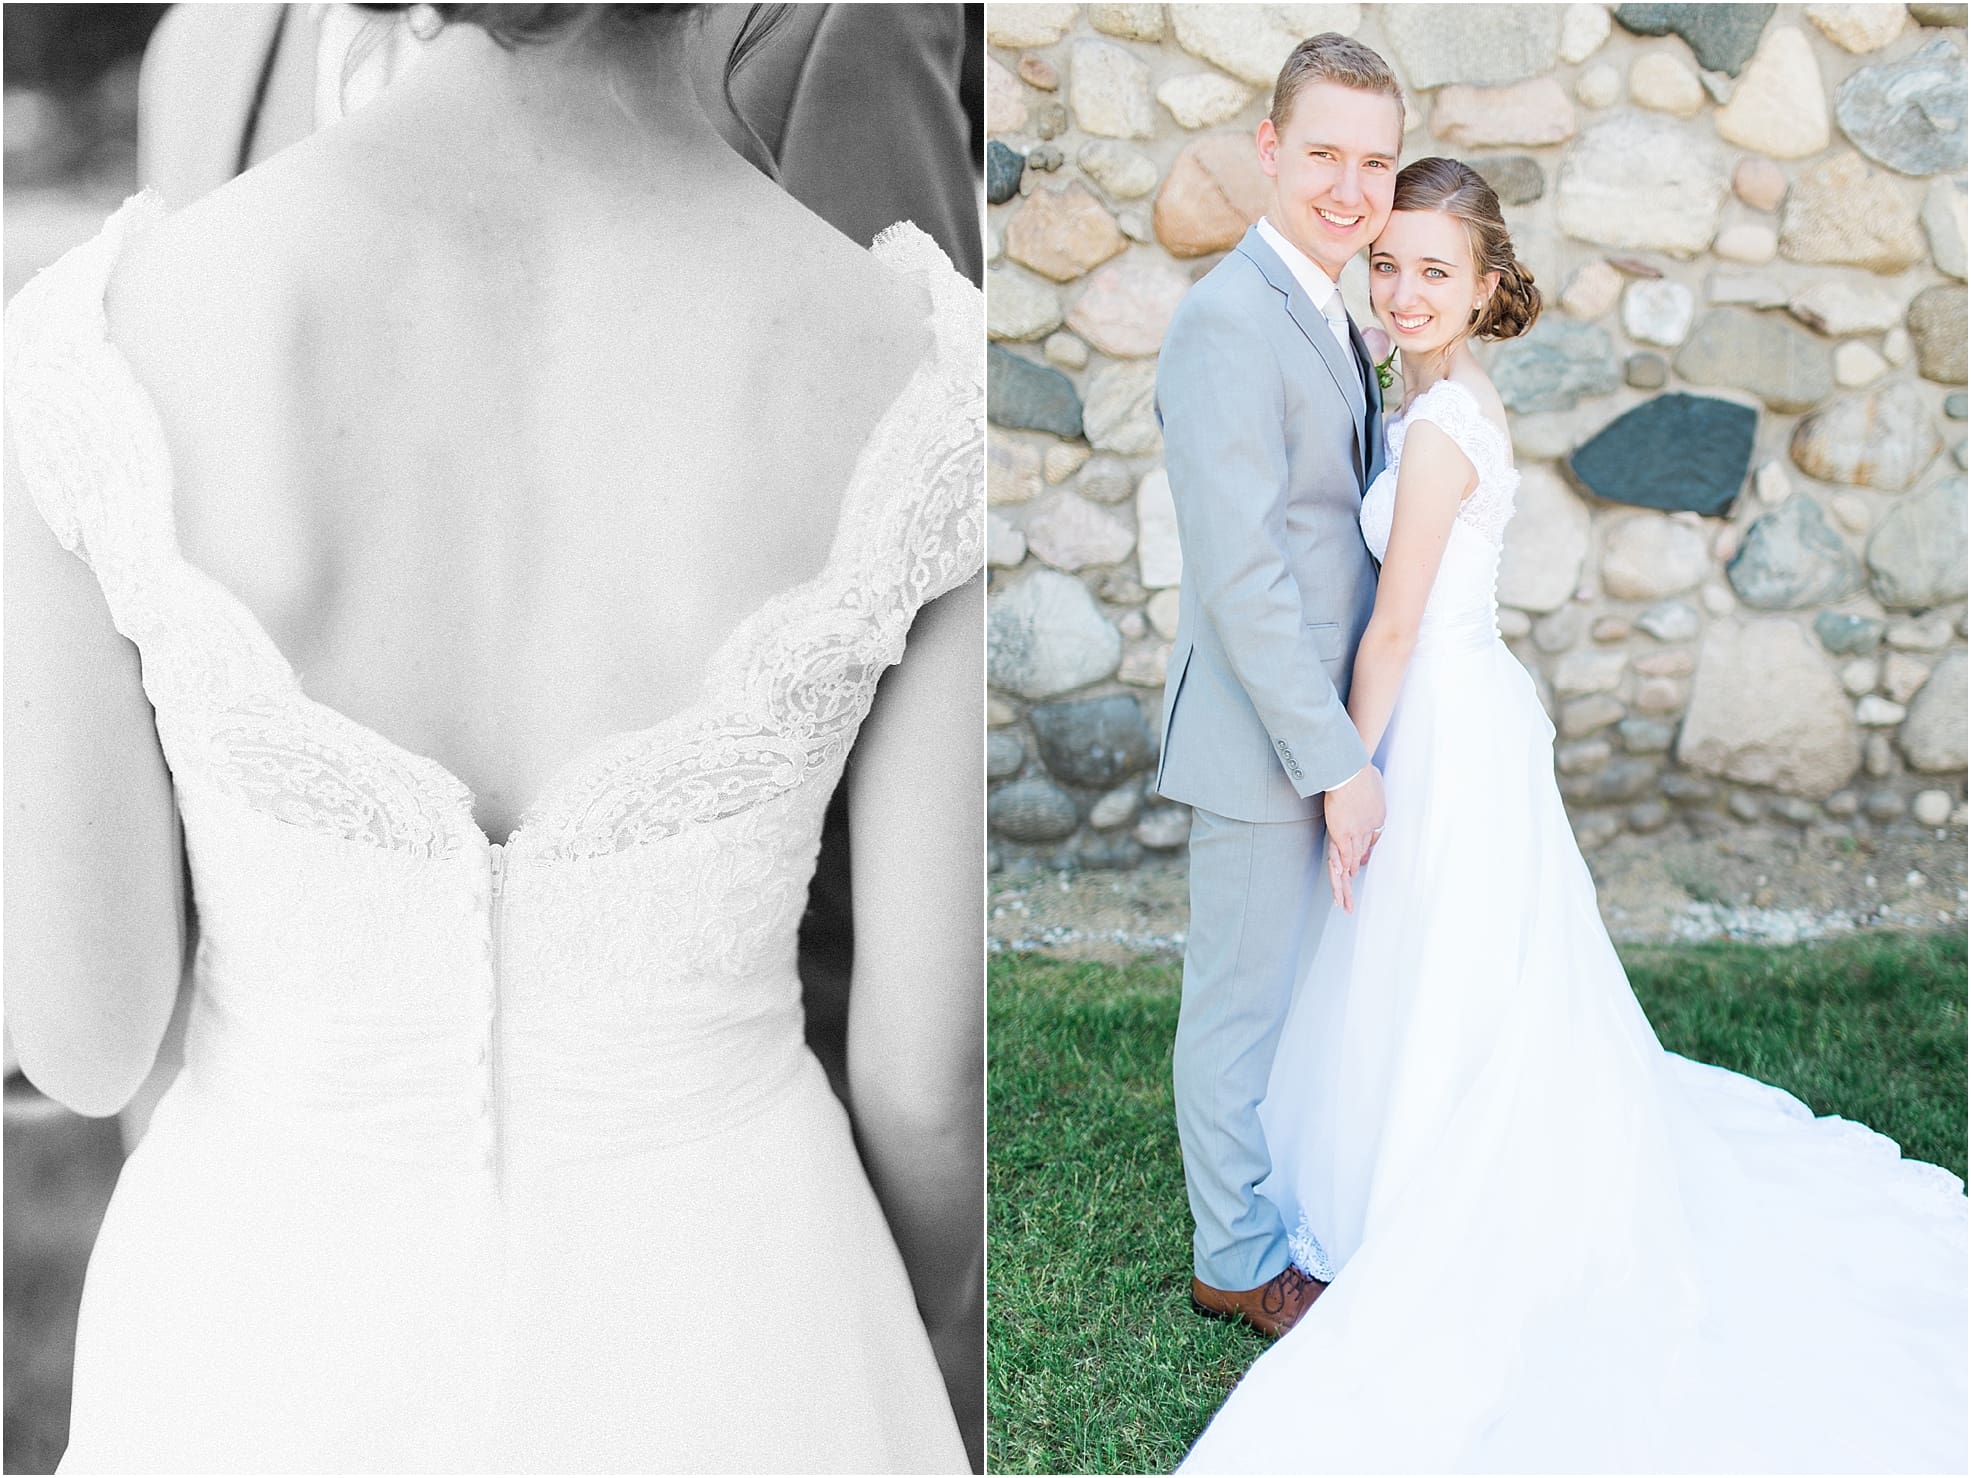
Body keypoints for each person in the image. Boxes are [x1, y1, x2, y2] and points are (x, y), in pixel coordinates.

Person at [4, 4, 982, 1471]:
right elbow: (929, 1068)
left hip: (258, 1335)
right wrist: (911, 1336)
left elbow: (83, 1037)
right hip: (745, 1321)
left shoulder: (107, 343)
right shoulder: (914, 372)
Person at [1179, 155, 1967, 1472]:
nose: (1404, 289)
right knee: (1445, 967)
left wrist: (1347, 778)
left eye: (1435, 270)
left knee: (1436, 961)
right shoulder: (1437, 395)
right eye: (1389, 264)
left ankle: (1444, 1194)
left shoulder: (1436, 429)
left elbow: (1389, 634)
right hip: (1467, 711)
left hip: (1430, 722)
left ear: (1487, 287)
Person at [1151, 32, 1397, 1339]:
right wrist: (1337, 760)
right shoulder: (1227, 321)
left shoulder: (1324, 307)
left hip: (1316, 726)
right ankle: (1235, 1256)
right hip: (1264, 738)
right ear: (1268, 150)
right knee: (1239, 1003)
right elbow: (1244, 577)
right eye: (1323, 155)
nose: (1351, 187)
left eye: (1375, 160)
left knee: (1294, 991)